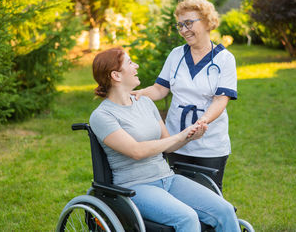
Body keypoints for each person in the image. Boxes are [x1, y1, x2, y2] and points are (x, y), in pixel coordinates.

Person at [89, 47, 240, 232]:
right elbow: (136, 151)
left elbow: (168, 145)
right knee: (187, 218)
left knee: (224, 210)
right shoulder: (102, 116)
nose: (136, 65)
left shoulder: (145, 102)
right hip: (135, 187)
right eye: (130, 62)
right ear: (116, 75)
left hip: (167, 179)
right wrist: (181, 135)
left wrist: (191, 136)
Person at [132, 0, 237, 191]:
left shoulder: (225, 59)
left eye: (189, 23)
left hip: (209, 143)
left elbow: (221, 99)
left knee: (208, 197)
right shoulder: (176, 55)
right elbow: (160, 89)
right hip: (175, 140)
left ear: (207, 22)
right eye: (180, 25)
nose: (183, 30)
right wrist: (137, 94)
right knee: (176, 194)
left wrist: (202, 122)